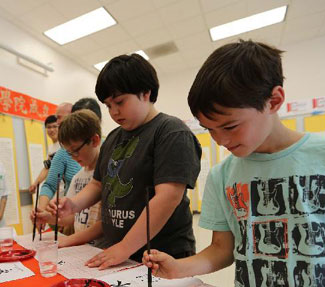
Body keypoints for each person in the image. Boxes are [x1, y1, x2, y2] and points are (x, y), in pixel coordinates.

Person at [144, 40, 325, 287]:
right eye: (209, 130)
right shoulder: (222, 175)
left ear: (274, 100)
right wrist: (179, 268)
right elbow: (222, 249)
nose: (219, 140)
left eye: (229, 126)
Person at [51, 54, 202, 269]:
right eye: (108, 105)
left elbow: (168, 197)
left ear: (146, 92)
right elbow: (98, 184)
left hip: (163, 253)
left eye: (120, 102)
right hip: (119, 251)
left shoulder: (171, 132)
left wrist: (125, 246)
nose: (114, 112)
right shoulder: (113, 138)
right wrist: (74, 204)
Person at [36, 109, 103, 247]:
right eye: (69, 152)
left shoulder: (106, 174)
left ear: (95, 140)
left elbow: (106, 224)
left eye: (76, 150)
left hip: (101, 249)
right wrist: (48, 217)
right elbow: (72, 217)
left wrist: (69, 240)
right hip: (83, 248)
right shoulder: (78, 177)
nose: (73, 157)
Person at [28, 115, 59, 193]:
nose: (52, 130)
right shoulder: (51, 148)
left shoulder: (66, 145)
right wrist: (35, 184)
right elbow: (47, 168)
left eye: (55, 126)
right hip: (54, 190)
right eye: (49, 127)